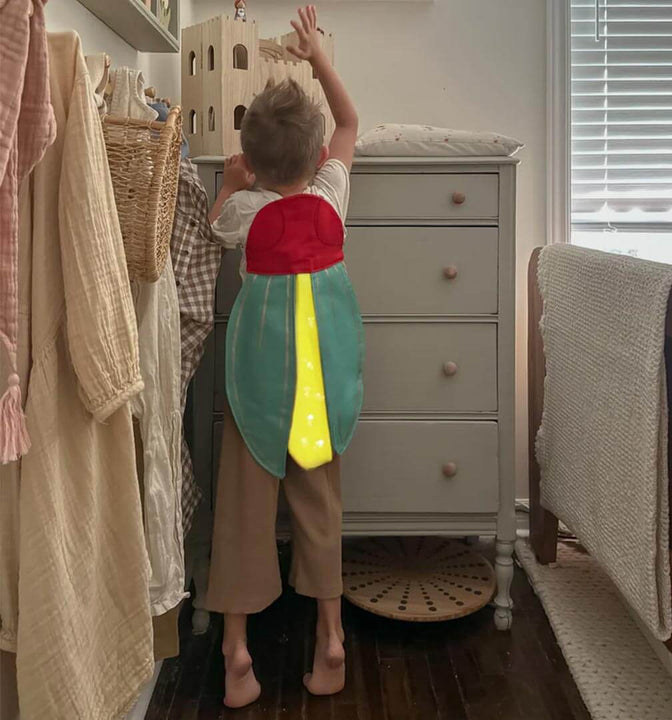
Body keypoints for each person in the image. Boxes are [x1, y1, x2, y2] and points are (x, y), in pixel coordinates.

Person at [205, 5, 363, 709]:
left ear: (256, 160)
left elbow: (215, 223)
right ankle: (331, 640)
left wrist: (233, 184)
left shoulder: (247, 213)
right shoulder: (332, 198)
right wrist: (318, 59)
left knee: (243, 508)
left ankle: (237, 651)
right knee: (319, 506)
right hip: (321, 387)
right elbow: (351, 125)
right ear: (313, 156)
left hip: (259, 389)